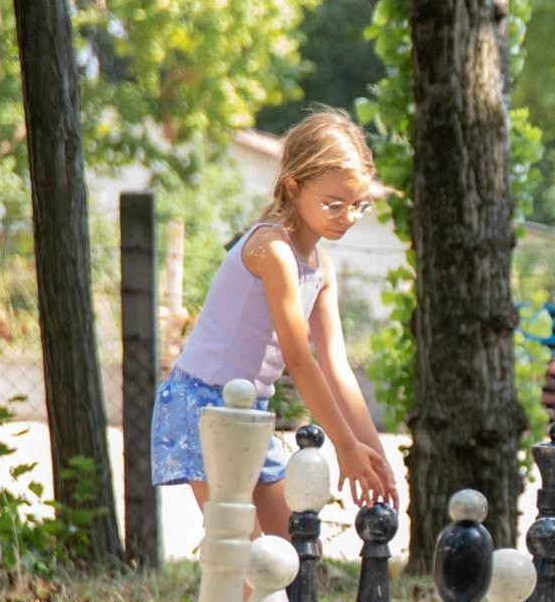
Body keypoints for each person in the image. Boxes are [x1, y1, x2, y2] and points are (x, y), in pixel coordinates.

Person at [151, 107, 398, 536]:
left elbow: (337, 367)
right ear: (292, 186)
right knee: (243, 552)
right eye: (333, 204)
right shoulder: (272, 250)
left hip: (252, 411)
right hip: (201, 405)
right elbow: (299, 359)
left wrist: (375, 457)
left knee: (288, 553)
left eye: (358, 205)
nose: (347, 217)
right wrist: (344, 446)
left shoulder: (321, 267)